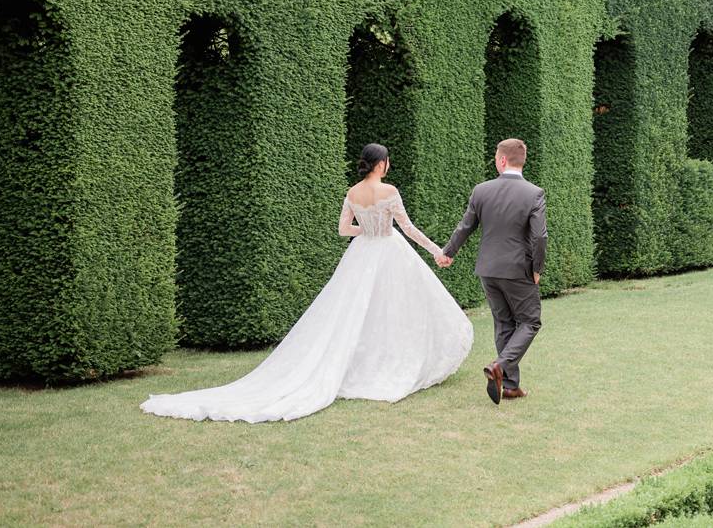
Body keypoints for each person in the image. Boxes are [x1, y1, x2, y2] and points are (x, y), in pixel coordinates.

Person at [141, 143, 471, 422]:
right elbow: (408, 229)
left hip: (363, 252)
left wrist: (367, 230)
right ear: (381, 164)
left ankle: (367, 364)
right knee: (393, 309)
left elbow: (344, 229)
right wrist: (436, 251)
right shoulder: (389, 191)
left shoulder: (353, 192)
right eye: (387, 161)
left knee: (353, 311)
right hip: (388, 249)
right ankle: (390, 364)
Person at [437, 137, 547, 404]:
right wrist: (537, 268)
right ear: (522, 160)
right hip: (518, 269)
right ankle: (500, 366)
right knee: (530, 321)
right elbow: (540, 237)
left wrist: (448, 252)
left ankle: (509, 386)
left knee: (504, 322)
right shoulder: (534, 193)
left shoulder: (481, 190)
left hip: (487, 269)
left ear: (501, 160)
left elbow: (465, 227)